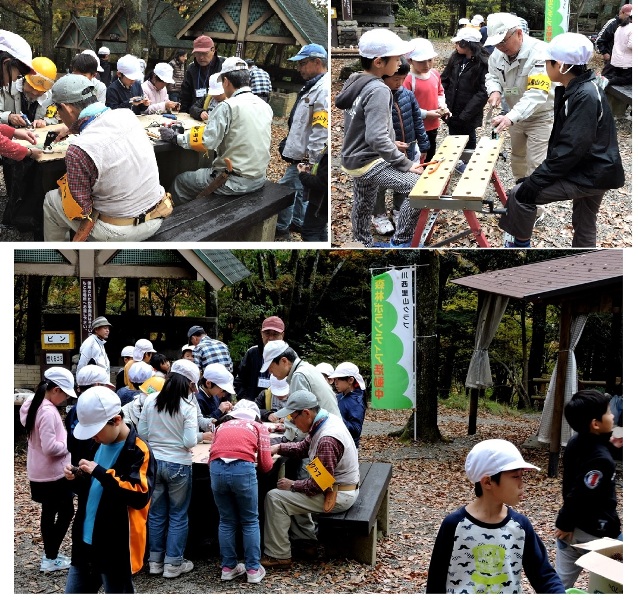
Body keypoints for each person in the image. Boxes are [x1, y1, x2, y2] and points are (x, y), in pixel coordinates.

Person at [499, 33, 625, 248]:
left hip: (590, 173)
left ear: (561, 65)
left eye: (547, 62)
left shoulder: (584, 95)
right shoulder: (581, 86)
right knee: (585, 222)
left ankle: (518, 247)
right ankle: (585, 265)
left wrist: (536, 181)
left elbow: (570, 148)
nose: (545, 67)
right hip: (598, 170)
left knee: (521, 194)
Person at [42, 74, 173, 242]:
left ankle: (59, 258)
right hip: (157, 215)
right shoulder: (127, 115)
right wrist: (72, 127)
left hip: (120, 231)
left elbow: (83, 209)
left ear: (66, 109)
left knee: (52, 200)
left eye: (59, 111)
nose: (60, 117)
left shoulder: (78, 150)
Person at [426, 439, 565, 593]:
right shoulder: (455, 525)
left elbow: (544, 576)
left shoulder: (520, 526)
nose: (522, 484)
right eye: (515, 477)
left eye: (522, 476)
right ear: (487, 482)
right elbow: (435, 583)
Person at [335, 29, 424, 249]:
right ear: (378, 62)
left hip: (353, 158)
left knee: (363, 203)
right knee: (418, 188)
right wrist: (406, 164)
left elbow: (360, 126)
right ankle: (401, 241)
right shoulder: (379, 90)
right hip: (369, 160)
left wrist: (390, 142)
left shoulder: (356, 81)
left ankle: (361, 242)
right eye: (396, 58)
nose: (400, 62)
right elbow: (376, 137)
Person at [63, 386, 155, 593]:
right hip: (85, 541)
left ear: (116, 420)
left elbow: (140, 495)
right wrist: (76, 477)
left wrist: (101, 473)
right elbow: (91, 488)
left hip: (116, 546)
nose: (92, 437)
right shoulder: (96, 444)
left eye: (95, 431)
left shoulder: (138, 450)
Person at [261, 390, 360, 568]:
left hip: (338, 495)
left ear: (306, 413)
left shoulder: (327, 439)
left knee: (275, 498)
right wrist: (279, 448)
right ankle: (305, 543)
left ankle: (278, 554)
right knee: (294, 493)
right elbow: (303, 447)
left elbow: (317, 485)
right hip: (337, 487)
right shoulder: (323, 421)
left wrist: (292, 485)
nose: (291, 421)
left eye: (293, 417)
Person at [164, 56, 273, 204]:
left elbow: (206, 141)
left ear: (226, 81)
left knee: (180, 182)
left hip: (234, 181)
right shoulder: (264, 105)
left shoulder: (227, 106)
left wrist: (175, 137)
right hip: (259, 178)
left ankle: (175, 221)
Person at [137, 359, 199, 579]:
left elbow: (142, 433)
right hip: (179, 465)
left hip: (154, 462)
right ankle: (173, 564)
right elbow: (190, 441)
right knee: (178, 515)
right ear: (187, 384)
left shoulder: (151, 400)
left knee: (156, 514)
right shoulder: (187, 407)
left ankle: (154, 562)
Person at [554, 390, 622, 588]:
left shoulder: (576, 441)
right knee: (610, 585)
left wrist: (565, 524)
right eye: (609, 413)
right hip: (596, 534)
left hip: (570, 534)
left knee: (559, 585)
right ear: (595, 424)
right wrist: (564, 521)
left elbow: (595, 447)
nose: (613, 416)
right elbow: (580, 494)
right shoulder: (601, 460)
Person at [208, 399, 273, 584]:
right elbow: (267, 466)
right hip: (243, 470)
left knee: (226, 520)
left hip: (216, 469)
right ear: (256, 416)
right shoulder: (258, 427)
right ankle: (253, 569)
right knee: (250, 520)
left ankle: (228, 568)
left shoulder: (222, 426)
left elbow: (212, 453)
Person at [484, 13, 555, 181]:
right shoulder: (497, 54)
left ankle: (534, 205)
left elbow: (537, 93)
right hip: (515, 116)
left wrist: (510, 117)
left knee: (536, 163)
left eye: (503, 41)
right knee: (517, 157)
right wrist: (494, 91)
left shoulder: (540, 53)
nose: (500, 47)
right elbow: (492, 76)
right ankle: (519, 192)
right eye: (496, 43)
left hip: (540, 117)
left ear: (518, 33)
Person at [19, 367, 76, 573]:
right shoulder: (48, 411)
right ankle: (50, 558)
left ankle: (49, 556)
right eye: (65, 394)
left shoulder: (31, 405)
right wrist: (69, 444)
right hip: (53, 474)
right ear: (56, 390)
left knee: (49, 512)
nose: (65, 399)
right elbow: (50, 447)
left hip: (39, 471)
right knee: (66, 511)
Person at [275, 44, 329, 240]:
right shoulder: (312, 85)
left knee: (284, 189)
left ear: (317, 62)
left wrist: (311, 161)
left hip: (307, 158)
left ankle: (281, 228)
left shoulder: (322, 90)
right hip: (302, 154)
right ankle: (297, 221)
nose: (299, 68)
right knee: (301, 191)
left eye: (303, 63)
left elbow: (321, 130)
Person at [372, 56, 429, 236]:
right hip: (384, 152)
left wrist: (424, 144)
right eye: (395, 79)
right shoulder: (378, 97)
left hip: (408, 148)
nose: (399, 83)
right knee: (380, 184)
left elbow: (417, 121)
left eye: (402, 79)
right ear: (384, 76)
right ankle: (378, 214)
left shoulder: (407, 95)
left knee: (404, 181)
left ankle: (398, 210)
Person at [441, 28, 489, 156]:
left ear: (466, 44)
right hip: (452, 109)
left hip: (469, 111)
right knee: (453, 137)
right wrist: (444, 103)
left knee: (469, 137)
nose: (455, 45)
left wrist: (466, 114)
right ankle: (455, 162)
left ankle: (467, 162)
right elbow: (444, 80)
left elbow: (483, 92)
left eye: (458, 43)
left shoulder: (482, 63)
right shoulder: (455, 59)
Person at [404, 38, 450, 164]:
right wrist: (425, 114)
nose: (427, 65)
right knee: (416, 154)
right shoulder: (408, 80)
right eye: (421, 61)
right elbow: (405, 106)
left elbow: (440, 92)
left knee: (430, 150)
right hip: (414, 126)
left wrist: (442, 106)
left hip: (432, 123)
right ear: (410, 60)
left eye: (430, 60)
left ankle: (428, 172)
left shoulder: (434, 74)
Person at [234, 315, 286, 402]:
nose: (271, 338)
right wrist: (247, 402)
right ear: (261, 333)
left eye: (275, 334)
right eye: (267, 333)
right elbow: (239, 382)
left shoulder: (289, 357)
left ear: (282, 335)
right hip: (252, 406)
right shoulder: (252, 353)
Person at [180, 35, 225, 113]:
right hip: (195, 114)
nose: (201, 57)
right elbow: (185, 96)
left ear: (213, 50)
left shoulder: (224, 66)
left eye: (204, 53)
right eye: (197, 53)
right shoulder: (191, 69)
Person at [298, 142, 329, 241]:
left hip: (320, 202)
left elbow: (321, 183)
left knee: (310, 232)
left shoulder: (328, 155)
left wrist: (303, 174)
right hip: (321, 202)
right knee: (320, 229)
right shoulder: (327, 148)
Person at [332, 362, 366, 448]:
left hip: (348, 447)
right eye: (334, 379)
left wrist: (336, 418)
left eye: (338, 379)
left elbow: (356, 430)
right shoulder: (340, 396)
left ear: (350, 380)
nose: (335, 383)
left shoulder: (356, 402)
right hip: (337, 443)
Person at [17, 56, 58, 127]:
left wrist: (45, 121)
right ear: (24, 79)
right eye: (31, 87)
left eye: (40, 90)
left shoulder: (51, 98)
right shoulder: (6, 90)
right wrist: (8, 117)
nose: (34, 93)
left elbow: (55, 118)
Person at [596, 4, 633, 68]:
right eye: (628, 16)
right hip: (612, 60)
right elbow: (599, 40)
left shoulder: (631, 26)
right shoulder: (612, 23)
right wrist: (604, 53)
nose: (630, 18)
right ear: (621, 12)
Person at [605, 9, 632, 86]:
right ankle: (607, 81)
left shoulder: (620, 27)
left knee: (616, 74)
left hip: (616, 61)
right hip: (627, 64)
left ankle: (606, 78)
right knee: (628, 79)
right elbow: (631, 45)